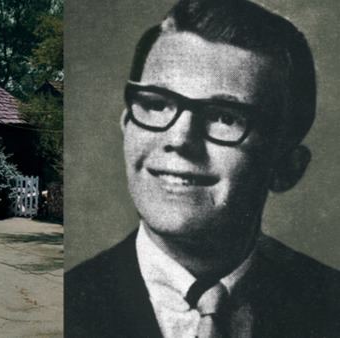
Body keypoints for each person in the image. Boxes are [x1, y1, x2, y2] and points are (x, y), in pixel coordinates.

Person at [65, 0, 340, 337]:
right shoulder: (65, 306)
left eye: (224, 117)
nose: (179, 139)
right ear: (126, 126)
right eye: (156, 104)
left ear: (287, 167)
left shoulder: (329, 306)